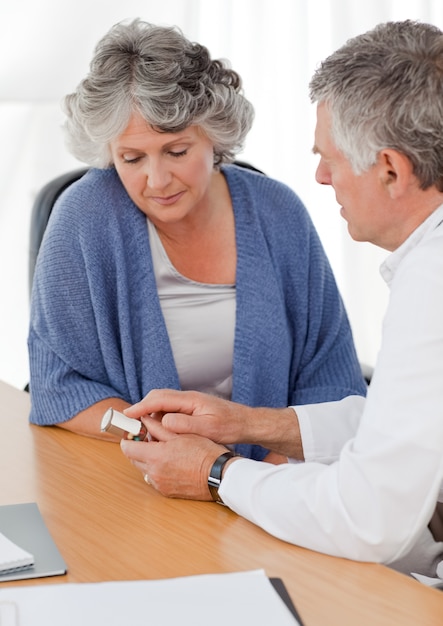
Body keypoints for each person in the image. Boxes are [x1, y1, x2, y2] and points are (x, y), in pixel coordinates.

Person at [120, 20, 443, 579]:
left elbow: (369, 518)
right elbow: (411, 428)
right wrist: (249, 423)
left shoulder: (432, 285)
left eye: (332, 159)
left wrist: (217, 474)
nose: (320, 177)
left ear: (391, 169)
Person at [28, 19, 366, 461]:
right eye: (132, 158)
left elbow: (330, 378)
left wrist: (260, 476)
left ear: (214, 133)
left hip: (275, 481)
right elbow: (59, 383)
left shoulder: (278, 213)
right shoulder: (83, 216)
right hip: (138, 479)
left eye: (177, 151)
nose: (157, 180)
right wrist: (163, 446)